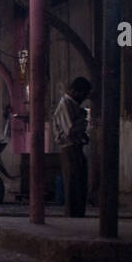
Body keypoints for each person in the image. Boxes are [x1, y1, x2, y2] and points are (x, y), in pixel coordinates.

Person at [53, 76, 91, 218]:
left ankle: (78, 213)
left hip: (76, 147)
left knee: (79, 182)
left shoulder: (72, 105)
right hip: (70, 148)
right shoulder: (66, 105)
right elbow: (70, 130)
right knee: (73, 183)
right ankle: (72, 215)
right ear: (76, 91)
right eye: (83, 94)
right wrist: (83, 117)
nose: (84, 98)